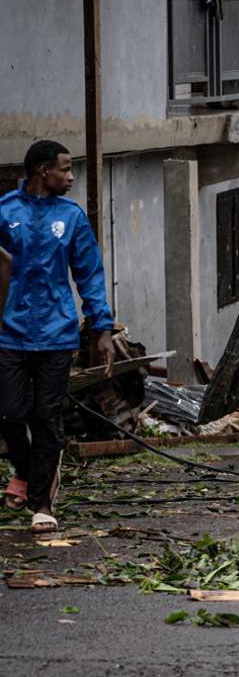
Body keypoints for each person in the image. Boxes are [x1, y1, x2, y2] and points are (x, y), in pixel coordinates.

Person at [0, 140, 115, 533]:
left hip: (56, 333)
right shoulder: (5, 212)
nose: (70, 177)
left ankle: (42, 505)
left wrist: (101, 328)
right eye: (65, 170)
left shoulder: (72, 217)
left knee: (46, 417)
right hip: (8, 333)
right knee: (9, 414)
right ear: (41, 171)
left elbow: (90, 274)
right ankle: (27, 473)